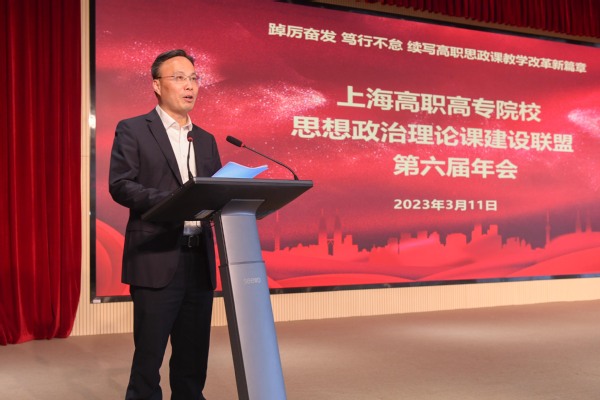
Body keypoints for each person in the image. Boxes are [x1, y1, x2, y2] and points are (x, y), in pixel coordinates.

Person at [109, 49, 222, 400]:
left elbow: (216, 192)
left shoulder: (205, 139)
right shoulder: (133, 129)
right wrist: (173, 201)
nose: (189, 86)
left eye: (194, 79)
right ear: (157, 85)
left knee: (193, 359)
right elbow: (121, 184)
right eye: (179, 78)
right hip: (156, 256)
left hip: (198, 259)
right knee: (149, 359)